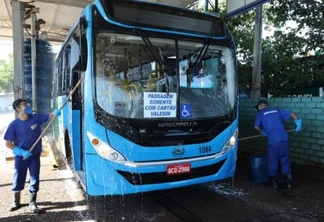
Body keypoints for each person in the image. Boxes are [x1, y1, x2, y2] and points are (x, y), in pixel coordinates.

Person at [4, 98, 61, 213]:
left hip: (34, 155)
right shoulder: (14, 125)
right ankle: (16, 201)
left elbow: (49, 115)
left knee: (34, 177)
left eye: (27, 104)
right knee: (19, 177)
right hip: (21, 157)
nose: (28, 106)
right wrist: (20, 152)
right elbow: (8, 143)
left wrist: (55, 113)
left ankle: (32, 203)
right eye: (25, 105)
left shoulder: (36, 118)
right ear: (18, 109)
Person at [254, 99, 302, 190]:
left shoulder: (260, 114)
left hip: (273, 141)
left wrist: (263, 132)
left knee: (273, 161)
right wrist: (298, 124)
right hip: (284, 139)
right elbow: (292, 114)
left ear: (260, 106)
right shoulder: (277, 110)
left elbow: (256, 126)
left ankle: (275, 184)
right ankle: (289, 185)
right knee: (285, 160)